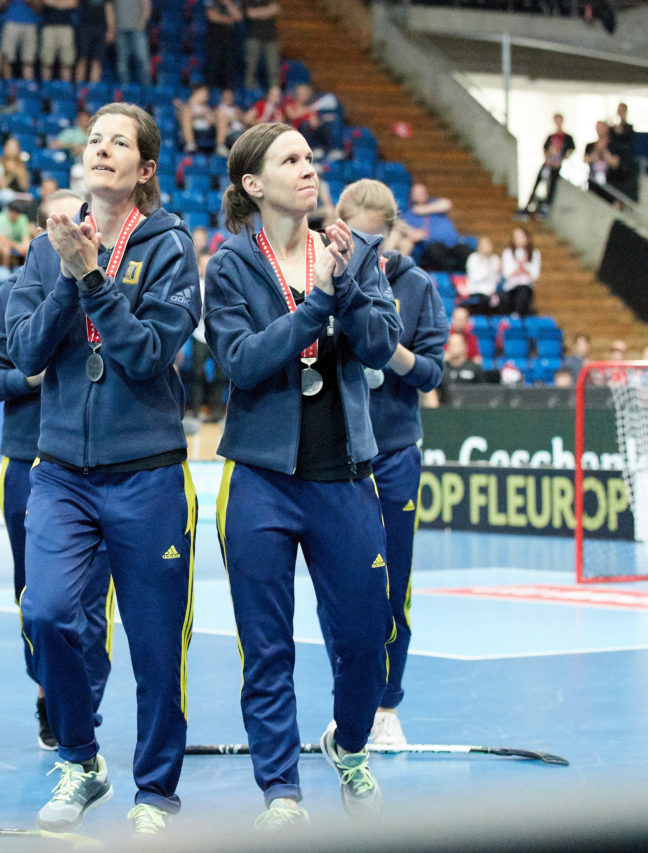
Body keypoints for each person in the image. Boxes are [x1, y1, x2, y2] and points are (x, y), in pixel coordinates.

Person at [6, 103, 199, 838]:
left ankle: (156, 789)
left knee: (155, 643)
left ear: (145, 169)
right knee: (47, 612)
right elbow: (23, 353)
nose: (102, 149)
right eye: (94, 139)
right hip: (60, 471)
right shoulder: (46, 245)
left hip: (146, 471)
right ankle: (82, 759)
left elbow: (148, 356)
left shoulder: (171, 247)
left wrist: (93, 281)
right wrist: (69, 271)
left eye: (120, 142)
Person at [204, 122, 399, 828]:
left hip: (344, 477)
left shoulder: (352, 251)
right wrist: (317, 304)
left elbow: (380, 346)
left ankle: (349, 744)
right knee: (267, 644)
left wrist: (345, 284)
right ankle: (280, 790)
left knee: (364, 635)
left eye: (311, 157)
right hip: (259, 477)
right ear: (254, 184)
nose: (308, 167)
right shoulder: (229, 264)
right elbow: (242, 360)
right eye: (290, 158)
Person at [0, 188, 113, 752]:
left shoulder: (110, 288)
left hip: (96, 464)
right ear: (41, 234)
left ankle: (84, 713)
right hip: (28, 463)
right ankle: (45, 693)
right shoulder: (16, 296)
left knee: (93, 602)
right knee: (36, 598)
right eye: (63, 219)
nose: (77, 225)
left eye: (84, 215)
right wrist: (31, 378)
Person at [336, 178, 448, 747]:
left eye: (377, 239)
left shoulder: (417, 285)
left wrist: (391, 354)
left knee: (392, 585)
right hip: (335, 456)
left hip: (395, 453)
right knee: (344, 590)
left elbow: (432, 373)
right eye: (358, 238)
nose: (367, 250)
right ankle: (348, 704)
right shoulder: (319, 272)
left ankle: (386, 706)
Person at [524, 113, 574, 217]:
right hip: (548, 164)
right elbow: (545, 149)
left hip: (556, 166)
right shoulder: (551, 136)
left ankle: (546, 206)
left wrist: (560, 159)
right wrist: (548, 159)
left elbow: (570, 150)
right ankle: (528, 205)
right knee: (538, 182)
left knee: (552, 185)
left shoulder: (567, 137)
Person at [500, 225, 539, 317]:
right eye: (515, 237)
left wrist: (524, 267)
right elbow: (506, 274)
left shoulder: (534, 253)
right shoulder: (508, 253)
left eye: (521, 237)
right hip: (511, 288)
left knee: (524, 290)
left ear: (527, 238)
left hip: (526, 289)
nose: (518, 240)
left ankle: (517, 315)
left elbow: (535, 276)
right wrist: (518, 268)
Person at [461, 235, 499, 315]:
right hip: (476, 290)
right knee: (485, 300)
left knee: (503, 299)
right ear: (478, 247)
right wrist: (486, 262)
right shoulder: (472, 258)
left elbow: (496, 279)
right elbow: (475, 278)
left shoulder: (495, 259)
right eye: (483, 246)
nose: (485, 248)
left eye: (487, 245)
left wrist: (499, 271)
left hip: (491, 292)